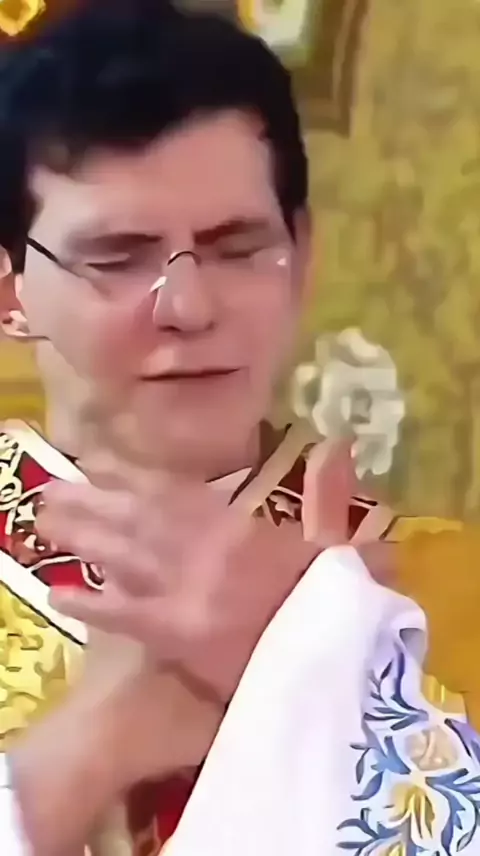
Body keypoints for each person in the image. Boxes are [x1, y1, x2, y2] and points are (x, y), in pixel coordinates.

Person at [0, 1, 479, 854]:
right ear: (11, 294)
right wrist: (78, 760)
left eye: (238, 247)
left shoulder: (449, 595)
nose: (187, 305)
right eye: (117, 257)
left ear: (304, 257)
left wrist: (330, 681)